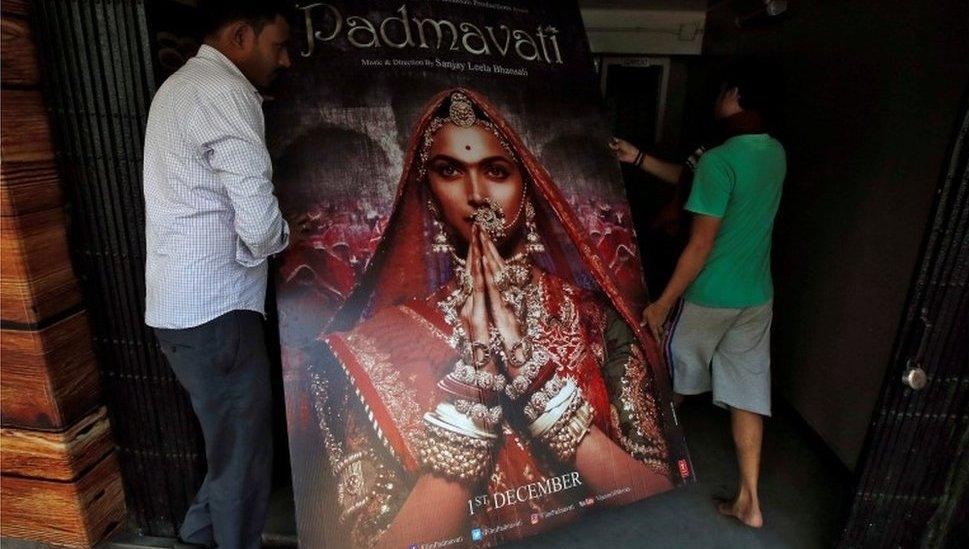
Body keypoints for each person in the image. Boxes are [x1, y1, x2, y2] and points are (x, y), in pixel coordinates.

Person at [304, 89, 688, 548]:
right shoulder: (373, 348)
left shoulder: (594, 321)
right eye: (448, 171)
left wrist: (538, 386)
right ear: (428, 191)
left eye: (496, 171)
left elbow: (657, 495)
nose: (476, 195)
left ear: (526, 186)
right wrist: (474, 397)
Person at [142, 1, 301, 547]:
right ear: (240, 35)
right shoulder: (226, 93)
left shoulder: (180, 88)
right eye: (278, 45)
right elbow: (258, 226)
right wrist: (287, 235)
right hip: (217, 311)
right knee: (244, 454)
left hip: (177, 310)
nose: (285, 60)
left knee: (229, 442)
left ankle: (198, 532)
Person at [612, 66, 786, 528]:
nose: (718, 99)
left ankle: (634, 469)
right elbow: (692, 180)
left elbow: (701, 242)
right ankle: (750, 501)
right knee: (748, 395)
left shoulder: (719, 159)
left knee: (667, 376)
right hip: (756, 296)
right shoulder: (773, 152)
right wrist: (639, 158)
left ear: (735, 95)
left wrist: (663, 302)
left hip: (709, 295)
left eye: (723, 92)